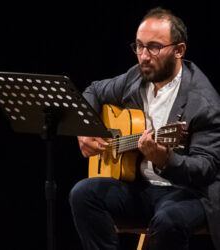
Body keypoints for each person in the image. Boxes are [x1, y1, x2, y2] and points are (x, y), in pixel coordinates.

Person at [69, 7, 220, 250]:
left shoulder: (203, 102)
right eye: (139, 46)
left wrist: (165, 159)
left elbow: (207, 168)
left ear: (179, 50)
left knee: (168, 221)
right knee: (83, 194)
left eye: (154, 47)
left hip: (188, 193)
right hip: (142, 188)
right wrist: (85, 128)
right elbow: (94, 90)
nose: (144, 56)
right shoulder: (137, 78)